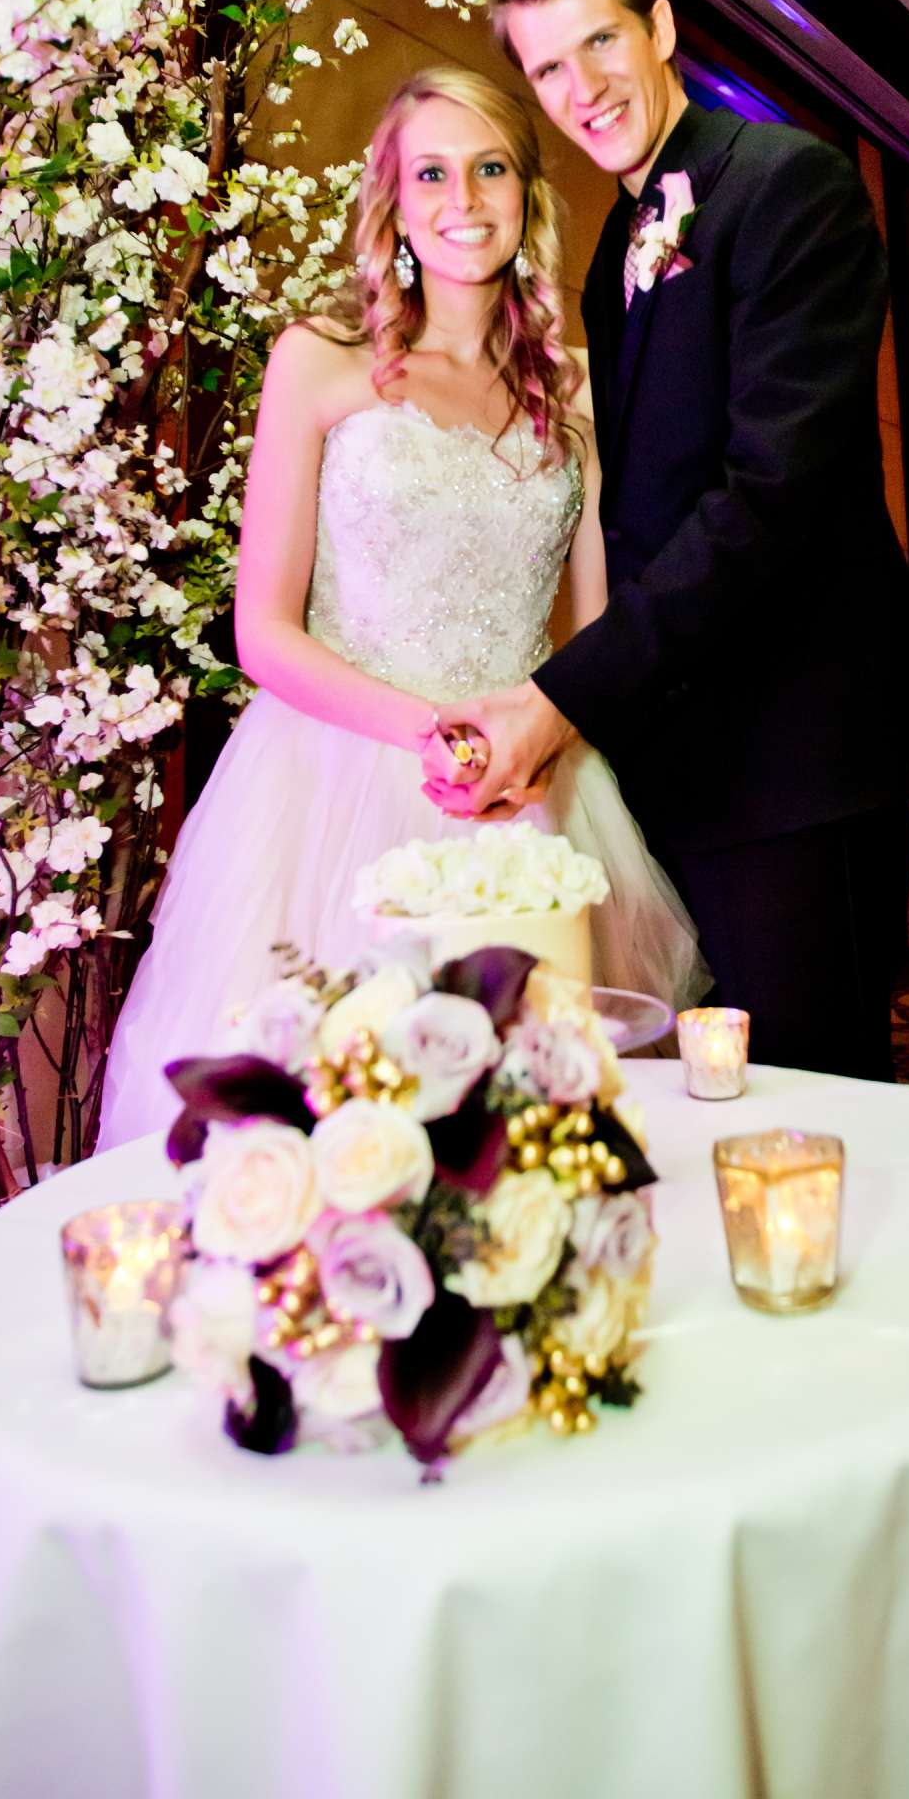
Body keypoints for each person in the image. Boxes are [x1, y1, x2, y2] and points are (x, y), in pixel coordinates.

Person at [97, 66, 701, 1148]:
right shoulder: (319, 362)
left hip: (534, 794)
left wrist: (542, 730)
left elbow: (602, 622)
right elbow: (262, 632)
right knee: (331, 1133)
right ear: (393, 200)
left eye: (489, 170)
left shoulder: (572, 391)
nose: (462, 199)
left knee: (533, 1132)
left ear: (526, 194)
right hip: (331, 788)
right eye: (431, 172)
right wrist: (437, 735)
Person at [425, 0, 909, 1080]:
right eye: (548, 67)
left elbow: (767, 500)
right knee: (705, 1105)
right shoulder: (613, 248)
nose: (581, 85)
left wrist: (563, 697)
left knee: (817, 1096)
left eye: (599, 42)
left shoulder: (787, 187)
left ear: (659, 27)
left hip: (797, 762)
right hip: (679, 768)